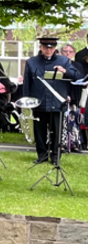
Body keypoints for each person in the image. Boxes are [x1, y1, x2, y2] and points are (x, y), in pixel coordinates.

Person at [23, 36, 80, 165]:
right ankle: (42, 155)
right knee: (39, 131)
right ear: (41, 47)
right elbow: (27, 84)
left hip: (57, 102)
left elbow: (76, 76)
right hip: (39, 101)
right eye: (45, 48)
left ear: (55, 48)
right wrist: (26, 101)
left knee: (57, 132)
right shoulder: (31, 62)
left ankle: (55, 156)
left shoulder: (64, 61)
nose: (48, 50)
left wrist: (65, 71)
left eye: (51, 48)